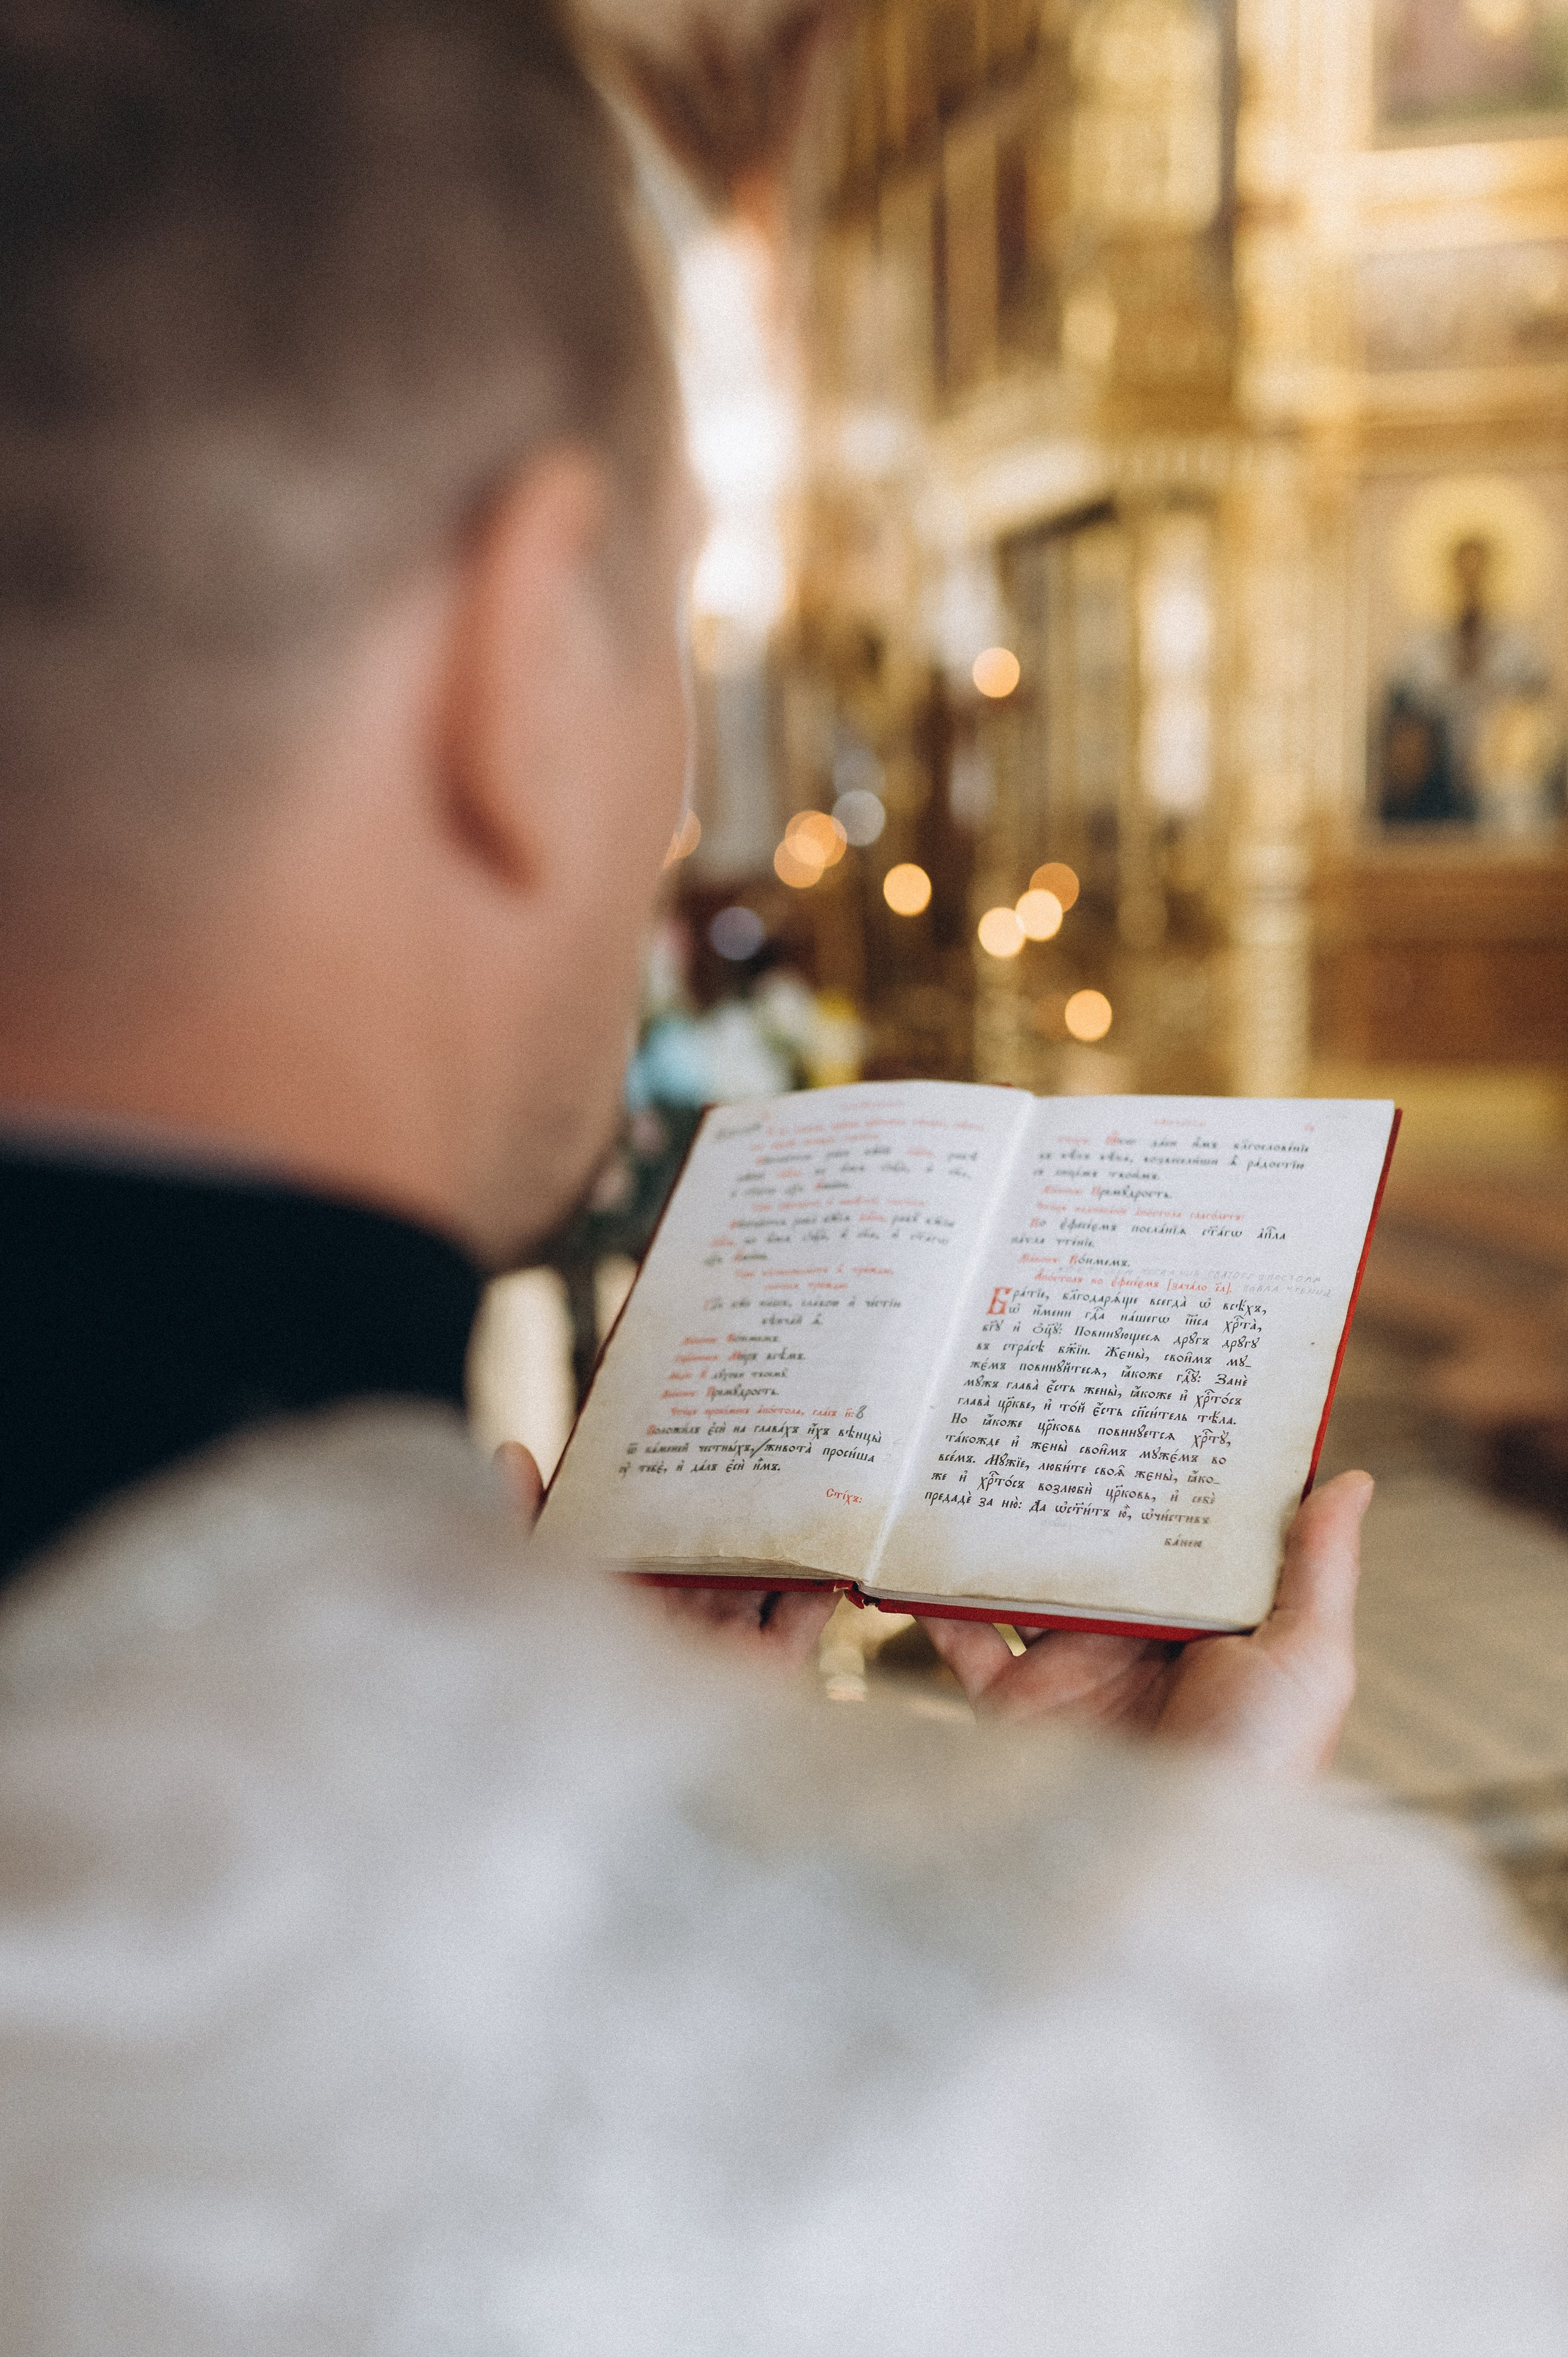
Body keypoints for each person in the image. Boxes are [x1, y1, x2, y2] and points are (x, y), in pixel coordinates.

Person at [0, 4, 1565, 2348]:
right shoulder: (1210, 2086)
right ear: (523, 660)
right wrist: (1143, 1923)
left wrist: (575, 1758)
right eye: (667, 629)